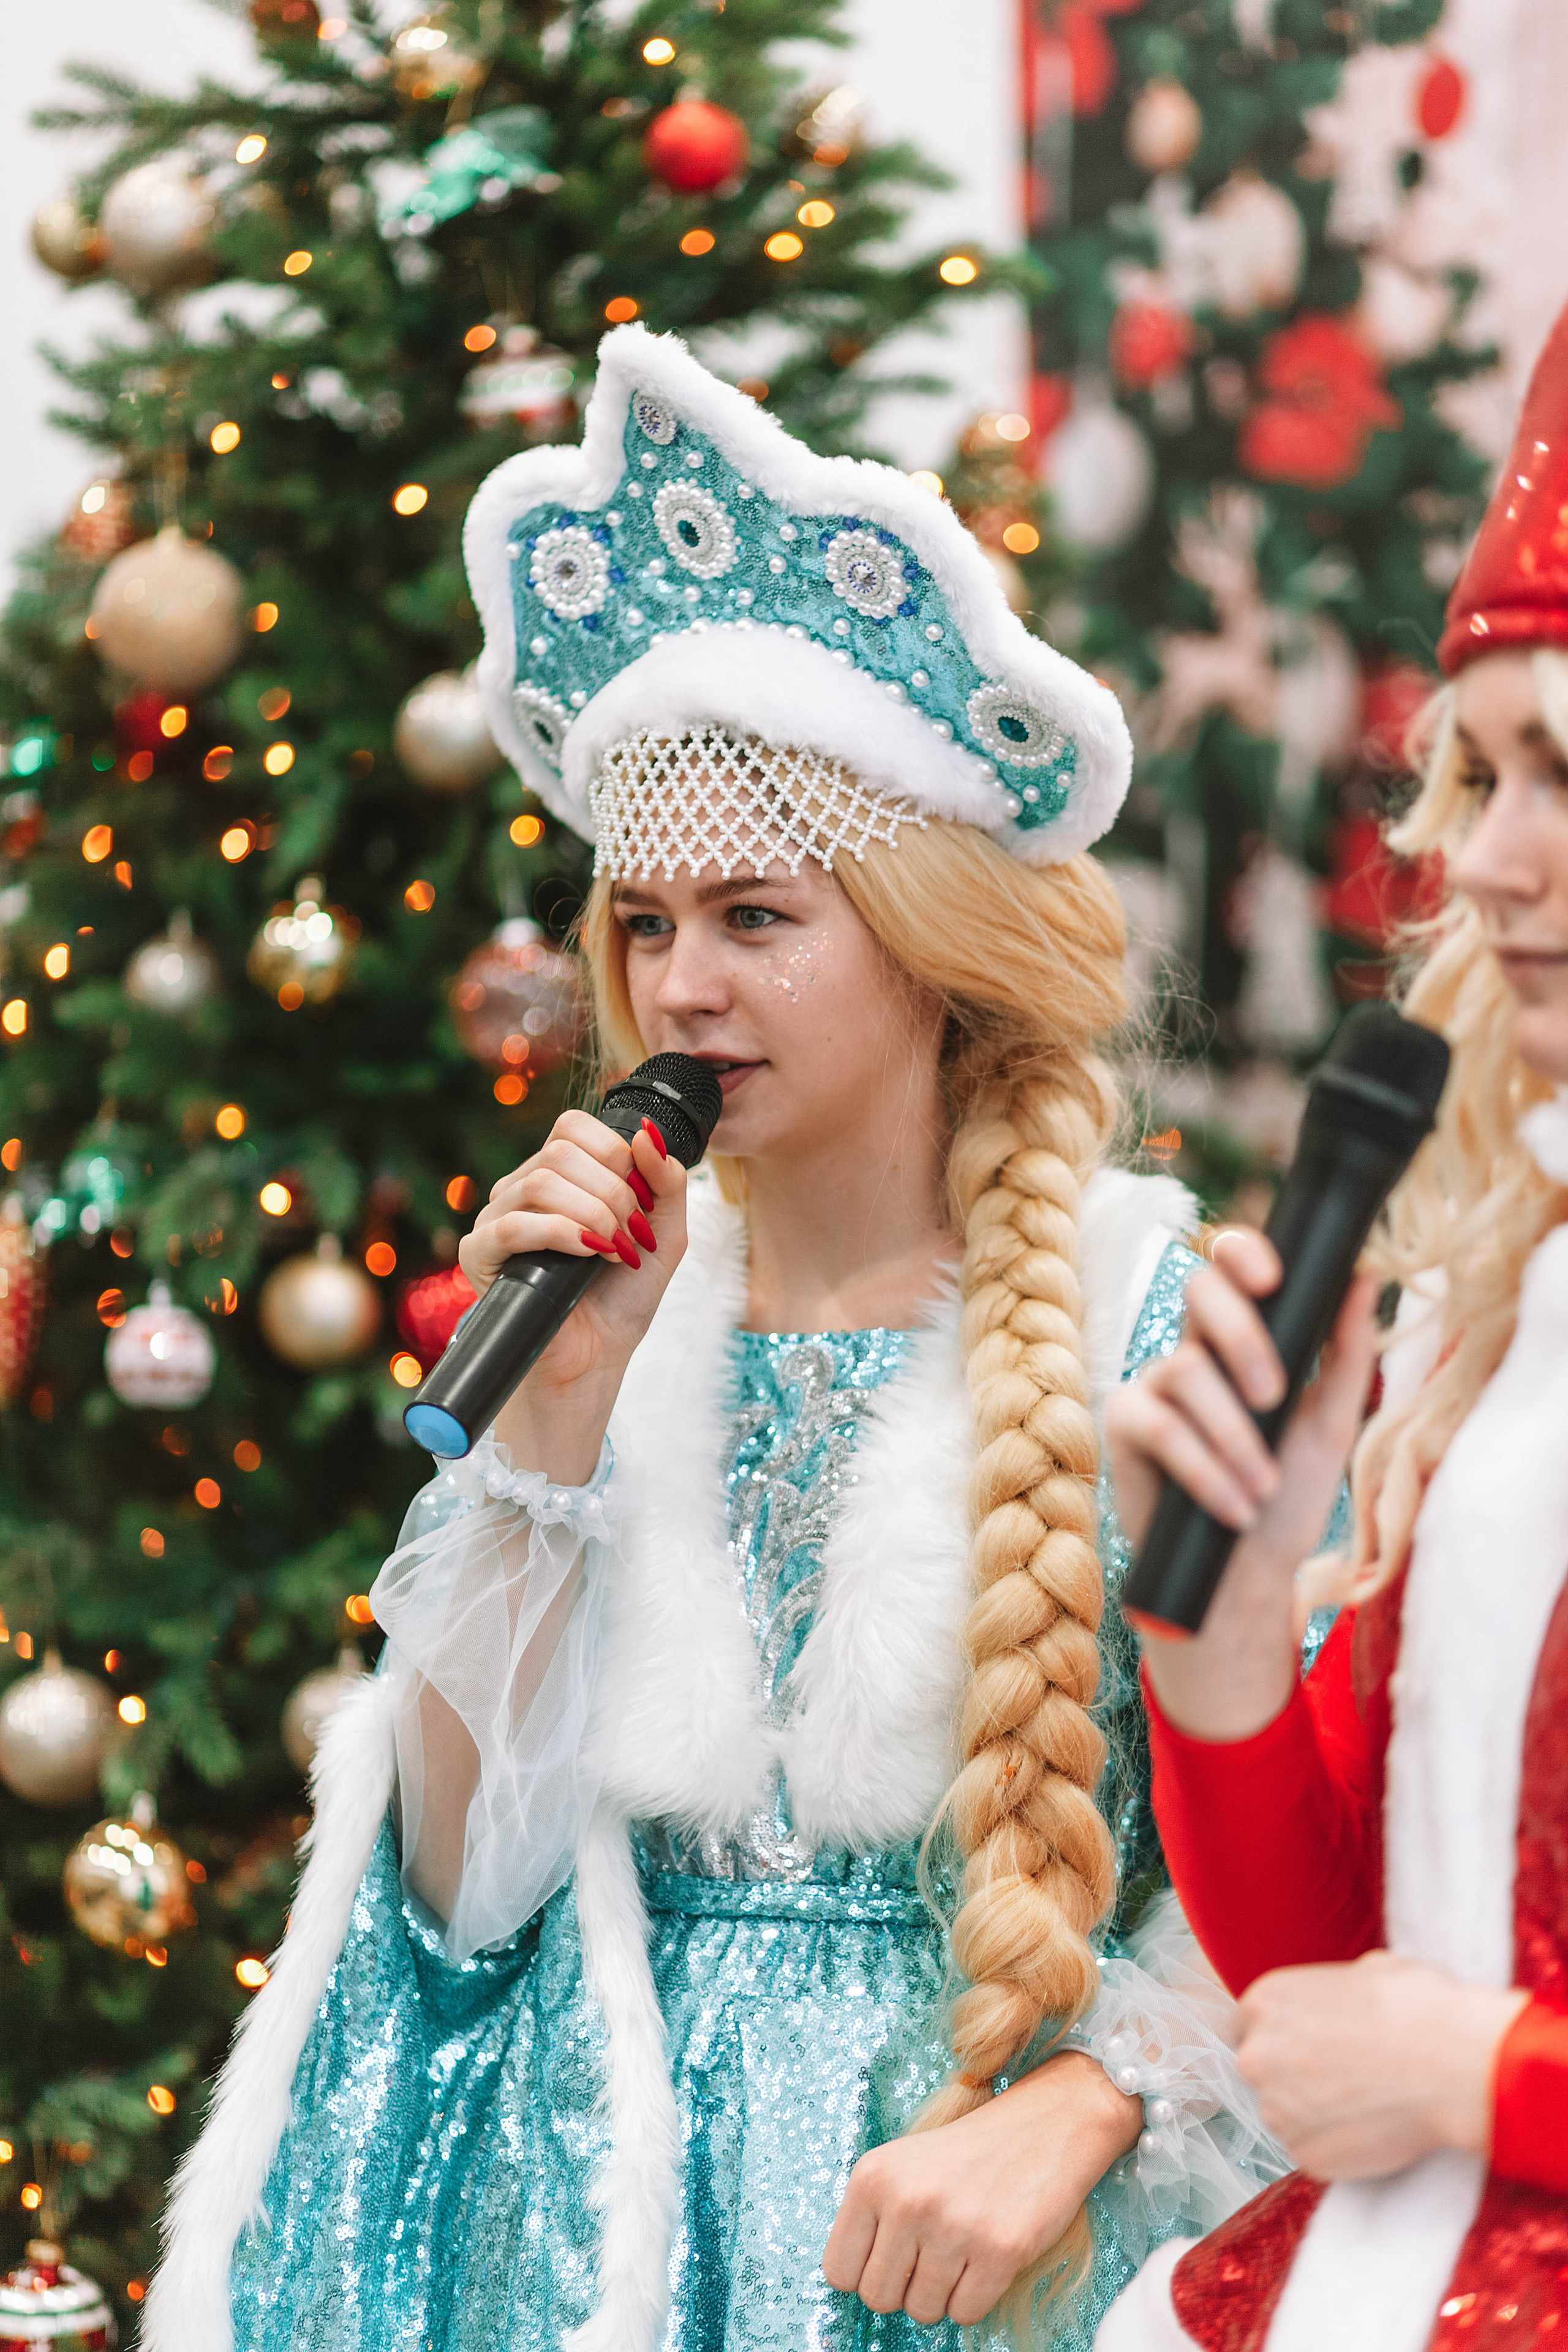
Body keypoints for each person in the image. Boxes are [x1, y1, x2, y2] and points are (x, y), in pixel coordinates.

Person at [143, 326, 1279, 2352]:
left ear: (931, 954)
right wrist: (550, 1438)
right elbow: (456, 1901)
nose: (682, 989)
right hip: (606, 2240)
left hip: (999, 2257)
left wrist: (1103, 2098)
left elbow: (1308, 1868)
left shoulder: (1155, 1315)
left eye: (757, 918)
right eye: (644, 928)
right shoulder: (615, 1331)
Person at [1095, 300, 1568, 2352]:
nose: (1475, 854)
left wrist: (1484, 2082)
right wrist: (1220, 1631)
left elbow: (1421, 2049)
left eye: (1559, 774)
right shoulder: (1514, 1318)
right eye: (1476, 772)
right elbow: (1319, 1993)